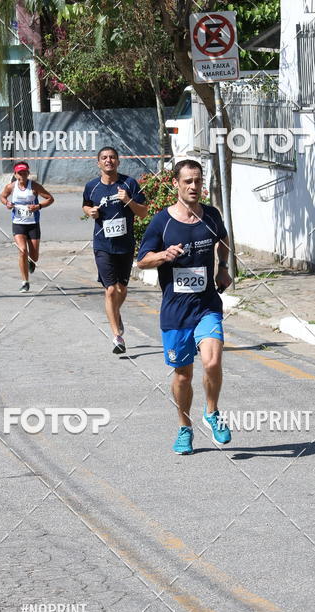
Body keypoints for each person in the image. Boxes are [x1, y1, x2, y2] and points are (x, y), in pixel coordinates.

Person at [136, 159, 232, 454]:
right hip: (176, 312)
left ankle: (212, 413)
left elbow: (223, 240)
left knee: (212, 362)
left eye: (198, 181)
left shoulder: (212, 216)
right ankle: (184, 426)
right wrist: (163, 255)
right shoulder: (161, 222)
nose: (194, 186)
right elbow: (142, 260)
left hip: (206, 305)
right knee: (183, 375)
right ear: (176, 184)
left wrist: (223, 268)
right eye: (188, 181)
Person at [82, 147, 148, 353]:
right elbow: (85, 205)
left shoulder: (129, 184)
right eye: (104, 158)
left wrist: (127, 200)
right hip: (102, 245)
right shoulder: (92, 186)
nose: (108, 160)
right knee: (110, 290)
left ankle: (115, 313)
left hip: (125, 245)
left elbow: (144, 213)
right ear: (98, 163)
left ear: (118, 162)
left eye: (112, 157)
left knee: (122, 289)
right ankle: (117, 336)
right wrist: (90, 211)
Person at [0, 161, 54, 292]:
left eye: (24, 172)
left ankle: (32, 262)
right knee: (23, 251)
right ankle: (25, 281)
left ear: (28, 173)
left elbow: (50, 198)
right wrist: (6, 203)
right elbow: (2, 196)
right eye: (19, 173)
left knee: (34, 256)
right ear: (15, 174)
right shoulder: (11, 187)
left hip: (33, 224)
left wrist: (39, 206)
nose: (22, 175)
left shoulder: (34, 186)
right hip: (18, 224)